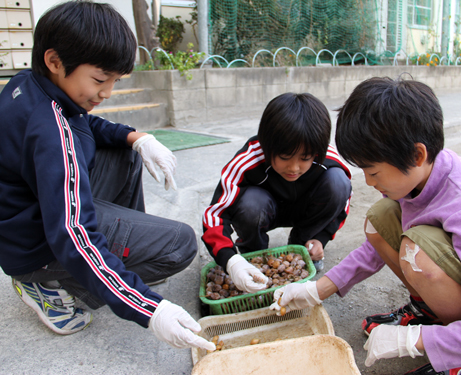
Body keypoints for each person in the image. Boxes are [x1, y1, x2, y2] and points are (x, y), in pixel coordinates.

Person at [0, 0, 215, 352]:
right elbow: (72, 233)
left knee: (125, 153)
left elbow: (86, 124)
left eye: (115, 81)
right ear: (55, 61)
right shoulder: (52, 133)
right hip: (38, 244)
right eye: (101, 80)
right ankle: (51, 283)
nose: (107, 93)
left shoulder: (31, 83)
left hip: (23, 220)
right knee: (179, 243)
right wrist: (148, 309)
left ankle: (118, 259)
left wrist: (138, 138)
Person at [269, 76, 461, 374]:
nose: (368, 181)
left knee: (416, 252)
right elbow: (373, 250)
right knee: (380, 219)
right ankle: (433, 316)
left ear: (417, 154)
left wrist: (415, 341)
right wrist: (316, 290)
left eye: (374, 171)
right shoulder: (422, 177)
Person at [202, 92, 352, 294]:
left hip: (305, 210)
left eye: (305, 158)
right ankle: (254, 257)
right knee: (251, 204)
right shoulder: (249, 159)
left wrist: (322, 236)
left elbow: (343, 201)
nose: (294, 167)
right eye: (284, 157)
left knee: (338, 183)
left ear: (317, 152)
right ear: (267, 145)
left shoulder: (327, 158)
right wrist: (230, 260)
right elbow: (215, 214)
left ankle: (300, 248)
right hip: (263, 209)